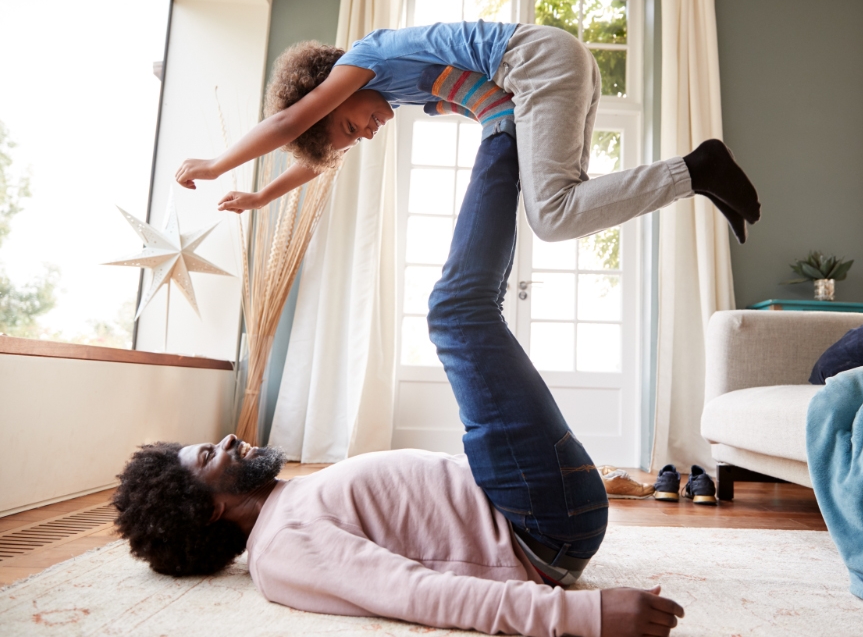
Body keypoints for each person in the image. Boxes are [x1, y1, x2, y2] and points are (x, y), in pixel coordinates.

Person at [116, 130, 685, 637]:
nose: (229, 440)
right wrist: (585, 618)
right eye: (210, 456)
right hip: (536, 523)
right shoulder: (282, 549)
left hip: (524, 501)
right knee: (457, 312)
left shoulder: (287, 505)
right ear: (209, 510)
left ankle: (508, 129)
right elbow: (418, 594)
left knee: (459, 310)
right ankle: (503, 124)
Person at [174, 21, 760, 244]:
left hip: (536, 64)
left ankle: (698, 171)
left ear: (334, 90)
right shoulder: (401, 89)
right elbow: (318, 155)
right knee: (567, 209)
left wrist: (218, 166)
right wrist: (259, 197)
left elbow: (287, 123)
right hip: (552, 63)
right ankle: (699, 178)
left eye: (354, 124)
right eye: (360, 136)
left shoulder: (366, 58)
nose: (369, 133)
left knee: (550, 217)